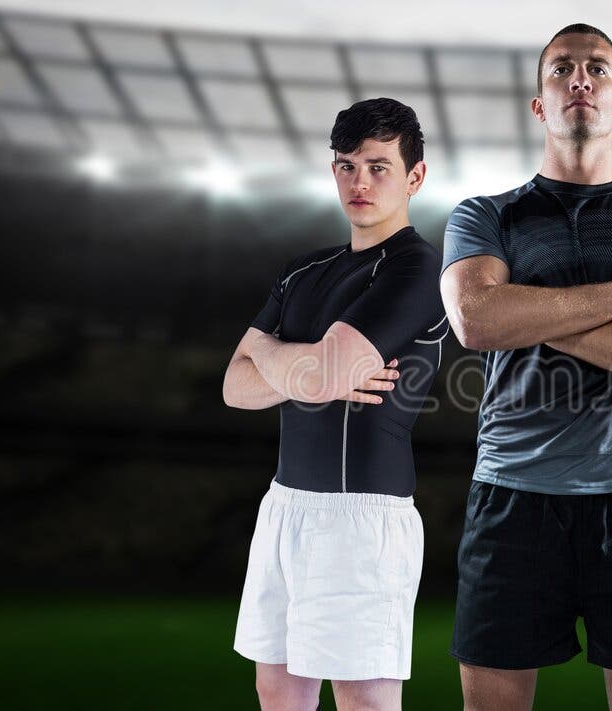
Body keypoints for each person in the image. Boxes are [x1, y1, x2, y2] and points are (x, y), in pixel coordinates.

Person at [439, 23, 612, 711]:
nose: (579, 79)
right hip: (512, 493)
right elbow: (475, 321)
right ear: (539, 104)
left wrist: (528, 314)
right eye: (561, 69)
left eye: (597, 70)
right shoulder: (484, 216)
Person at [223, 97, 448, 711]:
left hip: (362, 515)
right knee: (277, 688)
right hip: (284, 504)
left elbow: (317, 373)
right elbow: (234, 386)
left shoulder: (420, 269)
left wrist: (277, 355)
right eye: (347, 165)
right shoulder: (304, 271)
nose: (360, 181)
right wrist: (308, 368)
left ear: (415, 177)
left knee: (364, 700)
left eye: (379, 166)